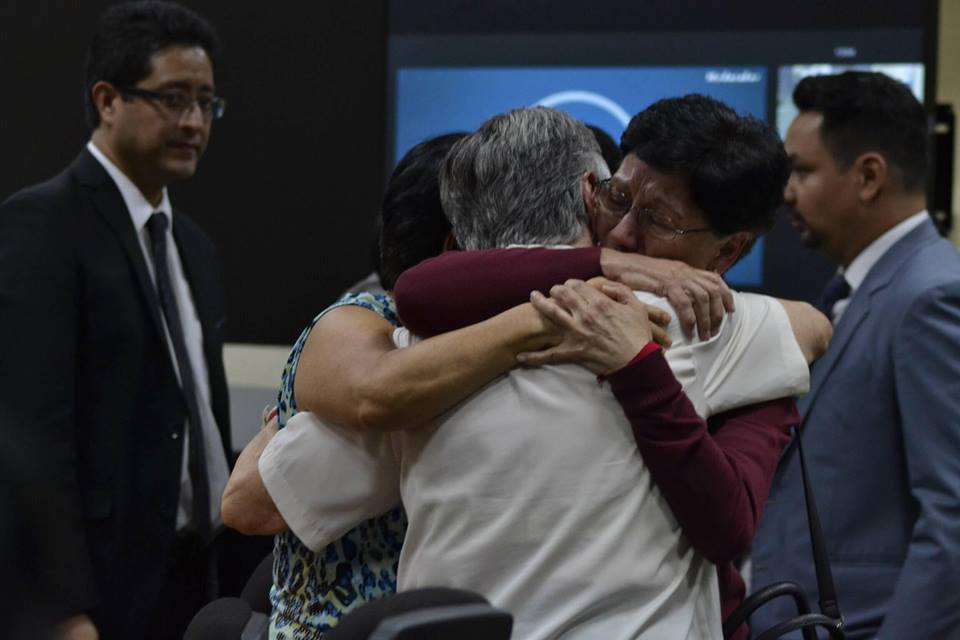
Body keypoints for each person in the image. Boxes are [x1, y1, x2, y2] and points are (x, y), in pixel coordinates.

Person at [261, 106, 820, 639]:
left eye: (658, 221)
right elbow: (814, 325)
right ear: (588, 192)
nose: (625, 235)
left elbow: (255, 499)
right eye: (620, 199)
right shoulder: (717, 332)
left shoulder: (421, 360)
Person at [0, 3, 230, 639]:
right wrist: (59, 605)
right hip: (95, 594)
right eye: (173, 98)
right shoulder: (43, 223)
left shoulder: (194, 246)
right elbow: (29, 437)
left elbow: (196, 412)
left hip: (196, 577)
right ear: (107, 100)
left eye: (206, 103)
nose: (193, 122)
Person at [751, 71, 960, 638]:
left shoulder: (931, 297)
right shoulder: (859, 291)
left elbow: (953, 521)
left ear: (869, 176)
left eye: (802, 171)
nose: (786, 191)